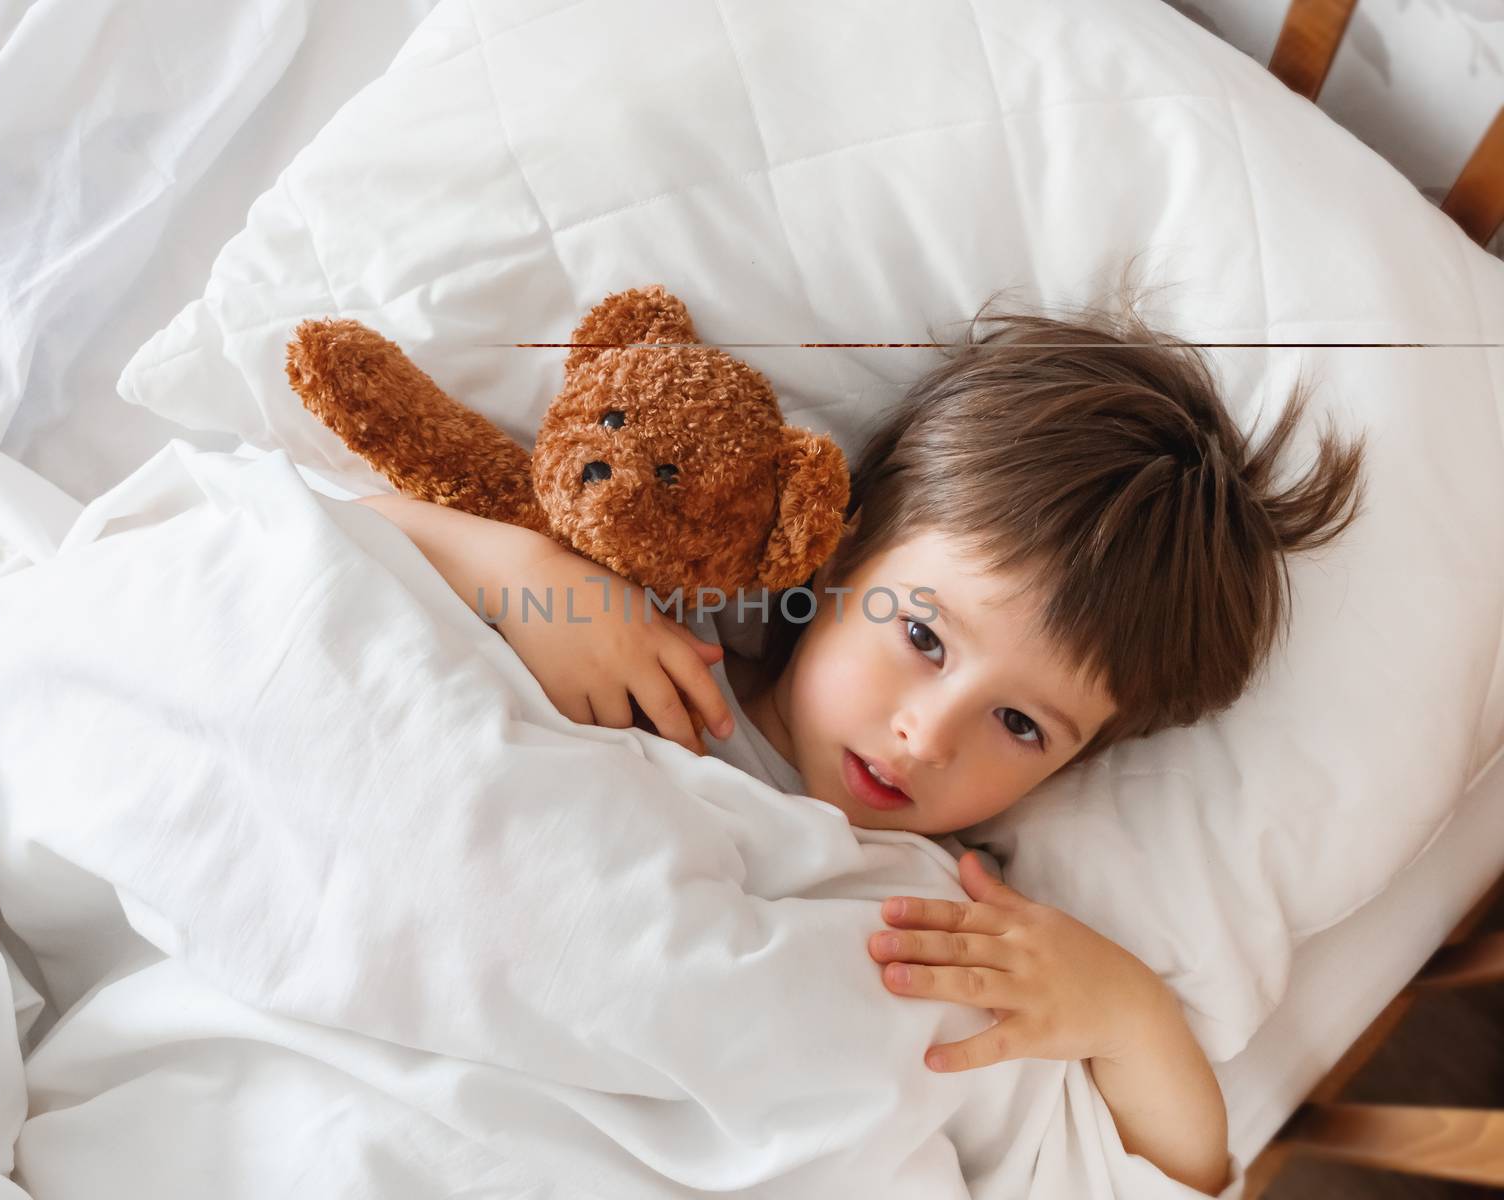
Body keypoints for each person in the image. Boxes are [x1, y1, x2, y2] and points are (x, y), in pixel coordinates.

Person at [356, 298, 1365, 1197]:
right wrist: (519, 570)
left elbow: (1155, 1180)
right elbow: (303, 565)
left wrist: (1131, 1015)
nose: (926, 736)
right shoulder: (630, 650)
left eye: (1019, 727)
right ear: (834, 552)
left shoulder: (942, 916)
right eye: (921, 638)